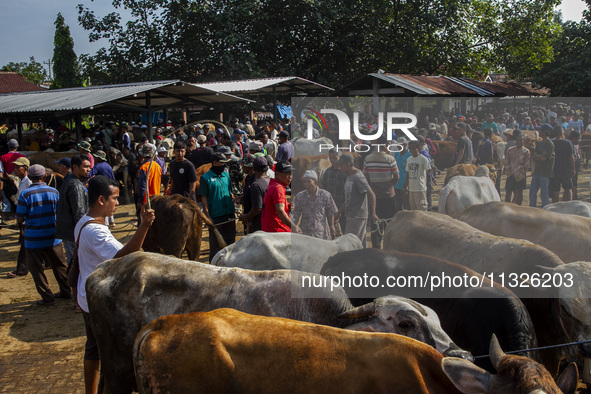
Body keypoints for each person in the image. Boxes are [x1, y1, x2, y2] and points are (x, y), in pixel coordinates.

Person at [75, 175, 155, 394]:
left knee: (92, 349)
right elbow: (125, 256)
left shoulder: (83, 222)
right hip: (100, 300)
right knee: (114, 354)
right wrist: (144, 226)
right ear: (101, 200)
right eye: (115, 198)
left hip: (86, 295)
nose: (118, 203)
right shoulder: (96, 232)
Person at [15, 164, 70, 306]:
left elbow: (20, 217)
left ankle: (47, 297)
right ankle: (66, 291)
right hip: (53, 237)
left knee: (37, 269)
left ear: (31, 177)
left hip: (33, 239)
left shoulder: (25, 194)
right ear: (44, 176)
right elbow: (60, 212)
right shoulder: (54, 192)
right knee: (60, 266)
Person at [198, 152, 236, 261]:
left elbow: (230, 192)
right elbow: (203, 198)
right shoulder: (205, 178)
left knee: (231, 243)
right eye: (222, 163)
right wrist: (207, 216)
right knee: (216, 246)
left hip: (229, 214)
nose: (225, 165)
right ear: (215, 163)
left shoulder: (226, 175)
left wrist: (234, 198)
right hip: (215, 216)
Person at [56, 154, 91, 270]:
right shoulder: (75, 185)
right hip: (73, 233)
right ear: (75, 167)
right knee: (78, 265)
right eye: (85, 167)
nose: (88, 170)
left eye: (89, 167)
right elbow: (79, 213)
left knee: (73, 263)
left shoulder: (71, 182)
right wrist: (84, 233)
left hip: (69, 232)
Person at [363, 139, 399, 248]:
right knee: (389, 222)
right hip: (388, 195)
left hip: (374, 196)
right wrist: (389, 185)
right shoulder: (390, 159)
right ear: (385, 146)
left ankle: (376, 247)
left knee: (375, 223)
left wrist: (372, 186)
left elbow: (366, 176)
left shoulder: (368, 159)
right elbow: (396, 176)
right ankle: (390, 246)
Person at [337, 153, 378, 247]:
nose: (339, 167)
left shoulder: (358, 177)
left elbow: (371, 194)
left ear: (348, 165)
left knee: (350, 243)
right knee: (360, 243)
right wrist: (339, 211)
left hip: (357, 215)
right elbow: (348, 197)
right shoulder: (349, 176)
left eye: (341, 165)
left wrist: (374, 213)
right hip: (351, 214)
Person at [292, 170, 338, 240]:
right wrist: (294, 226)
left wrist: (332, 226)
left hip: (321, 233)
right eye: (304, 182)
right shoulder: (300, 196)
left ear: (316, 182)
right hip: (305, 233)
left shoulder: (325, 195)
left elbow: (330, 212)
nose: (306, 184)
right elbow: (296, 213)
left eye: (308, 181)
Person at [7, 157, 32, 278]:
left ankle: (21, 269)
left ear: (25, 168)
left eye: (18, 167)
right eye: (15, 167)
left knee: (25, 245)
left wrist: (22, 220)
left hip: (27, 218)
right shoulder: (22, 182)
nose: (15, 169)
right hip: (25, 218)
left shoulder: (28, 183)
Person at [261, 160, 301, 234]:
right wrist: (293, 226)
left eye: (291, 174)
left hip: (269, 228)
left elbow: (275, 208)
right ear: (277, 174)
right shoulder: (278, 188)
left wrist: (287, 208)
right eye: (286, 174)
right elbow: (280, 211)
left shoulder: (271, 185)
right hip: (278, 230)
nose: (290, 177)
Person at [319, 148, 348, 235]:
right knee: (329, 234)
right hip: (330, 210)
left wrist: (340, 211)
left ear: (340, 157)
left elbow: (348, 194)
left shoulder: (345, 173)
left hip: (344, 209)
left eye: (334, 158)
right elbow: (323, 190)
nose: (332, 160)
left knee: (346, 233)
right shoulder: (327, 172)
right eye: (330, 158)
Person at [239, 156, 270, 233]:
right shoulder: (271, 182)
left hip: (258, 224)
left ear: (253, 169)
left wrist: (247, 217)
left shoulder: (256, 185)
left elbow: (257, 208)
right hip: (268, 222)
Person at [529, 124, 554, 208]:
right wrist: (540, 156)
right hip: (537, 171)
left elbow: (544, 158)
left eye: (541, 130)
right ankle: (532, 208)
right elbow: (536, 157)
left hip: (545, 172)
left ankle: (545, 208)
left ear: (545, 132)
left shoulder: (550, 144)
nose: (539, 132)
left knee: (544, 193)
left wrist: (538, 156)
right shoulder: (538, 143)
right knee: (532, 191)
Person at [549, 125, 575, 203]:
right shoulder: (567, 142)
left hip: (555, 169)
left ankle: (555, 206)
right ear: (561, 132)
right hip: (566, 169)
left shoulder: (551, 143)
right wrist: (573, 168)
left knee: (555, 190)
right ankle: (569, 204)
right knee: (568, 188)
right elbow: (571, 157)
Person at [404, 140, 432, 211]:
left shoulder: (423, 159)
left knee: (422, 210)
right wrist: (406, 186)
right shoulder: (409, 159)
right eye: (410, 149)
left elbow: (429, 171)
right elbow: (408, 173)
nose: (411, 151)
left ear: (418, 148)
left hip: (420, 189)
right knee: (413, 210)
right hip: (411, 189)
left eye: (413, 148)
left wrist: (433, 169)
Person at [504, 133, 530, 205]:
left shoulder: (526, 152)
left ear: (524, 141)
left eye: (521, 140)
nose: (519, 142)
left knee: (518, 195)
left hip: (520, 176)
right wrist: (509, 172)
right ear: (515, 141)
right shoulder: (510, 150)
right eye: (517, 140)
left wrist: (520, 174)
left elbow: (527, 165)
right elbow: (506, 161)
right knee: (508, 193)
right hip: (510, 174)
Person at [136, 145, 161, 216]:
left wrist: (140, 201)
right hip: (157, 197)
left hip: (147, 200)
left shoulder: (143, 168)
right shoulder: (157, 166)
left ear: (142, 155)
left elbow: (142, 187)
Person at [393, 137, 411, 212]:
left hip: (405, 185)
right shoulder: (396, 154)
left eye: (401, 145)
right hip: (396, 184)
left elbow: (409, 172)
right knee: (397, 205)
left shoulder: (409, 155)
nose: (399, 146)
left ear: (405, 145)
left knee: (406, 205)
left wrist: (406, 185)